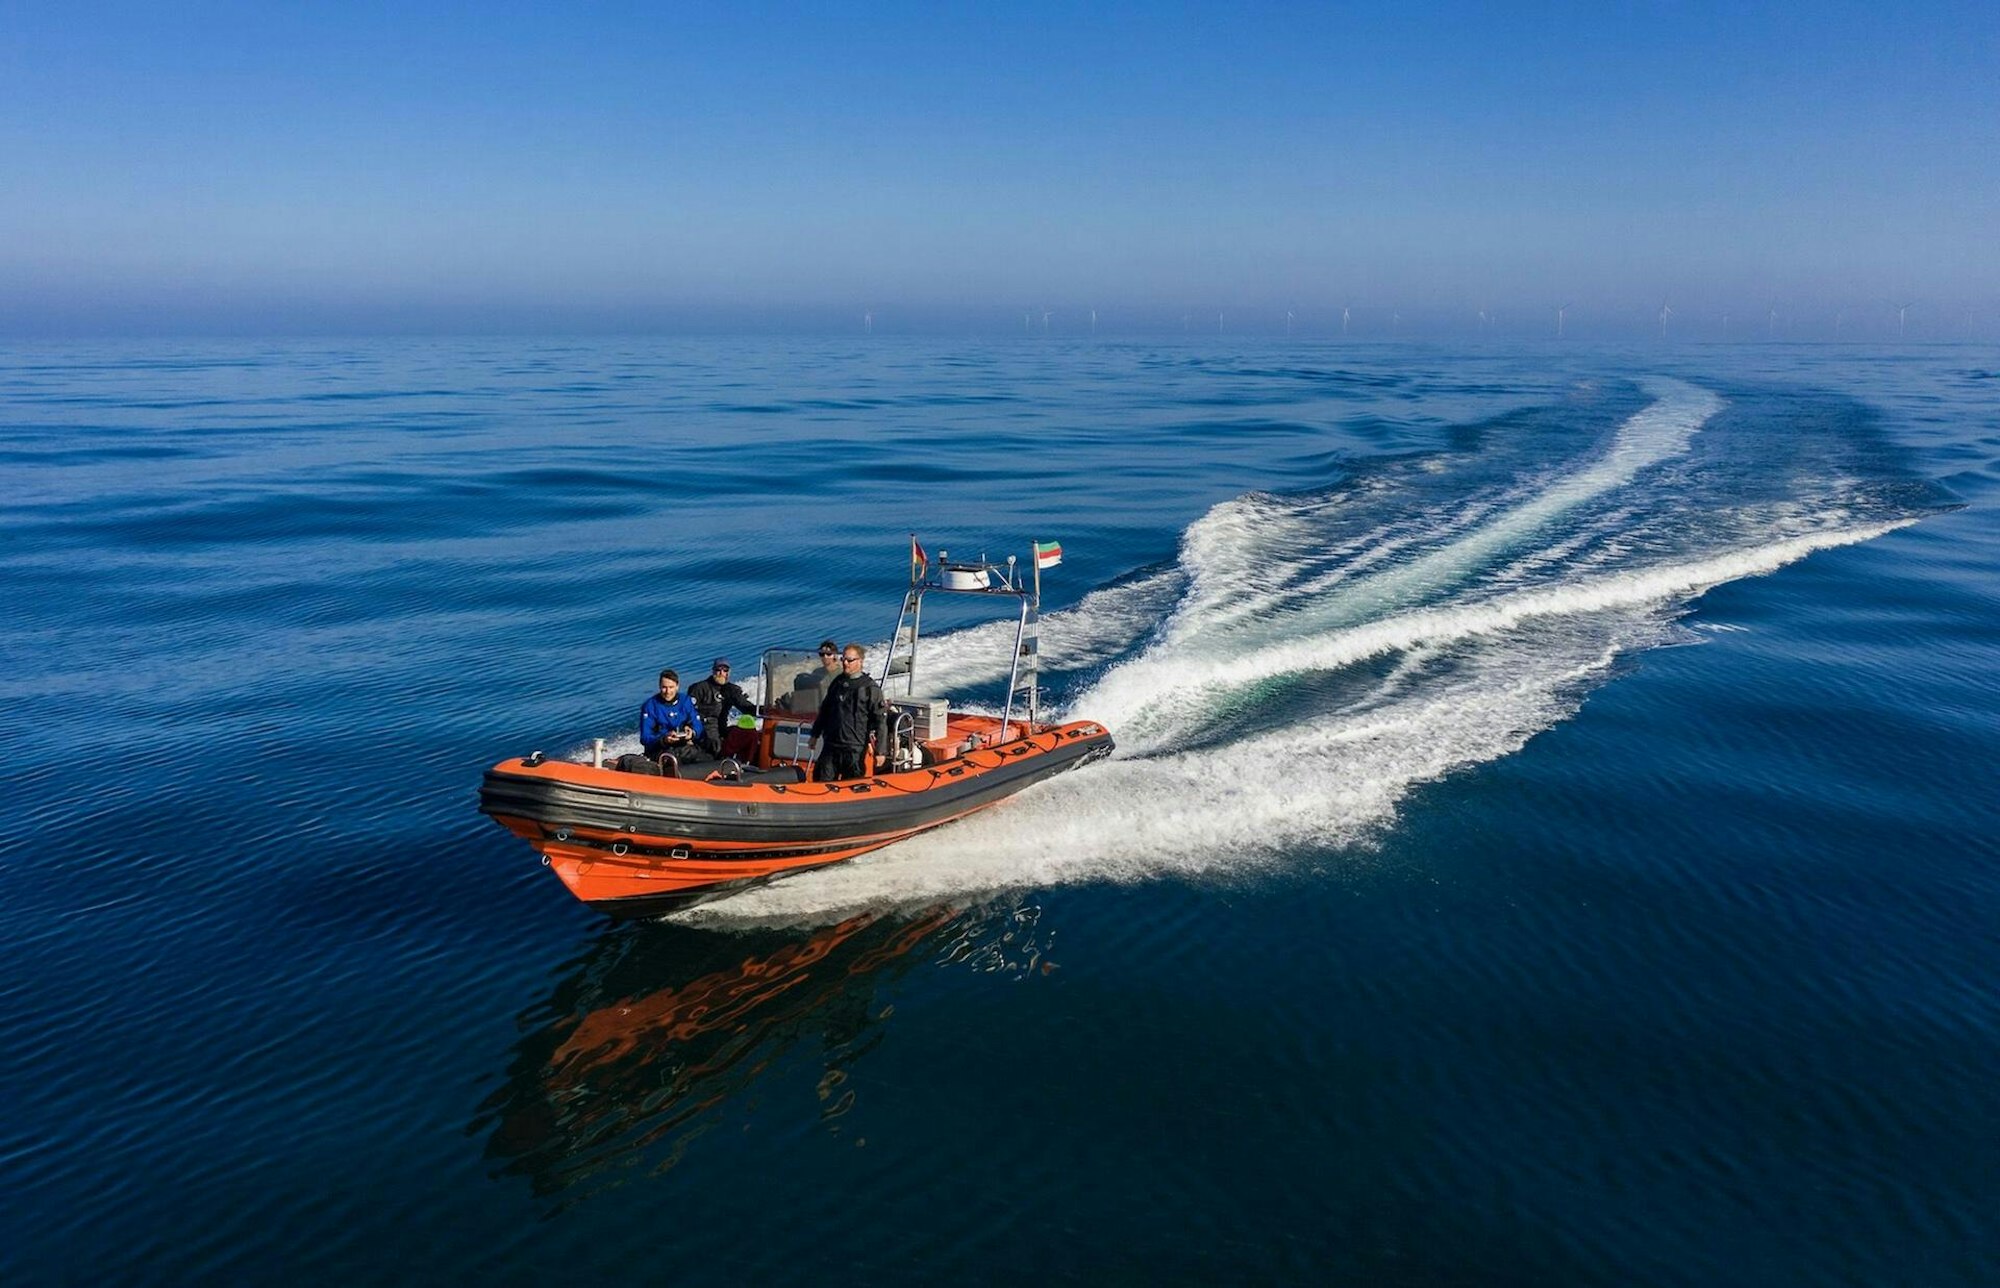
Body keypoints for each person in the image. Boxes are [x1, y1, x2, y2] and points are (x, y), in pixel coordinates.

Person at [809, 642, 890, 782]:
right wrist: (815, 735)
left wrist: (880, 752)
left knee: (851, 783)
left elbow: (880, 722)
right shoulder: (837, 683)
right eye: (844, 659)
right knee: (821, 779)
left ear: (860, 661)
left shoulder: (870, 689)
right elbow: (825, 710)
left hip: (854, 748)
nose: (846, 663)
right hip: (832, 745)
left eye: (850, 660)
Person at [639, 669, 709, 766]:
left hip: (683, 747)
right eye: (664, 687)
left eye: (671, 687)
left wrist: (692, 733)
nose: (667, 692)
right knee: (674, 761)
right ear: (659, 687)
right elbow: (645, 738)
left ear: (677, 686)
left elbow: (698, 725)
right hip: (660, 750)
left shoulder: (685, 701)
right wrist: (664, 739)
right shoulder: (650, 706)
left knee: (707, 757)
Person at [688, 658, 756, 757]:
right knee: (716, 745)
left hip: (722, 728)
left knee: (750, 735)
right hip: (705, 728)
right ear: (713, 671)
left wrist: (766, 710)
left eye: (725, 670)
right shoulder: (699, 688)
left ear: (729, 672)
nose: (721, 673)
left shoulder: (732, 690)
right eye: (718, 670)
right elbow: (688, 712)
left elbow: (746, 707)